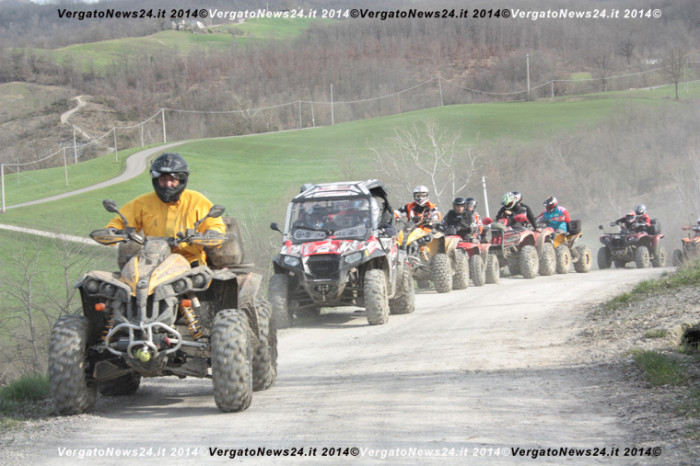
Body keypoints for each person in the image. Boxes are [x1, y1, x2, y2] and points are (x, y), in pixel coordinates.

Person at [105, 152, 226, 266]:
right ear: (156, 180)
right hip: (151, 261)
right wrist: (113, 230)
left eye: (172, 180)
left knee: (201, 279)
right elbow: (122, 220)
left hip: (188, 261)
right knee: (125, 278)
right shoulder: (142, 202)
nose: (168, 184)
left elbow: (214, 224)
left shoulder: (197, 201)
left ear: (181, 180)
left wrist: (213, 233)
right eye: (163, 179)